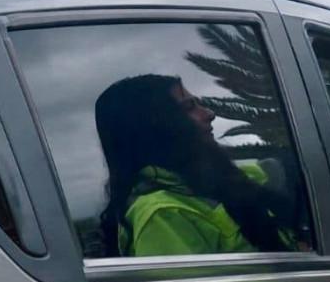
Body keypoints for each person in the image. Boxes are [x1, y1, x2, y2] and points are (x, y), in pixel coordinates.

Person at [95, 74, 301, 256]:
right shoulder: (161, 215)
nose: (209, 114)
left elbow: (282, 170)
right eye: (189, 107)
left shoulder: (218, 178)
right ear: (157, 126)